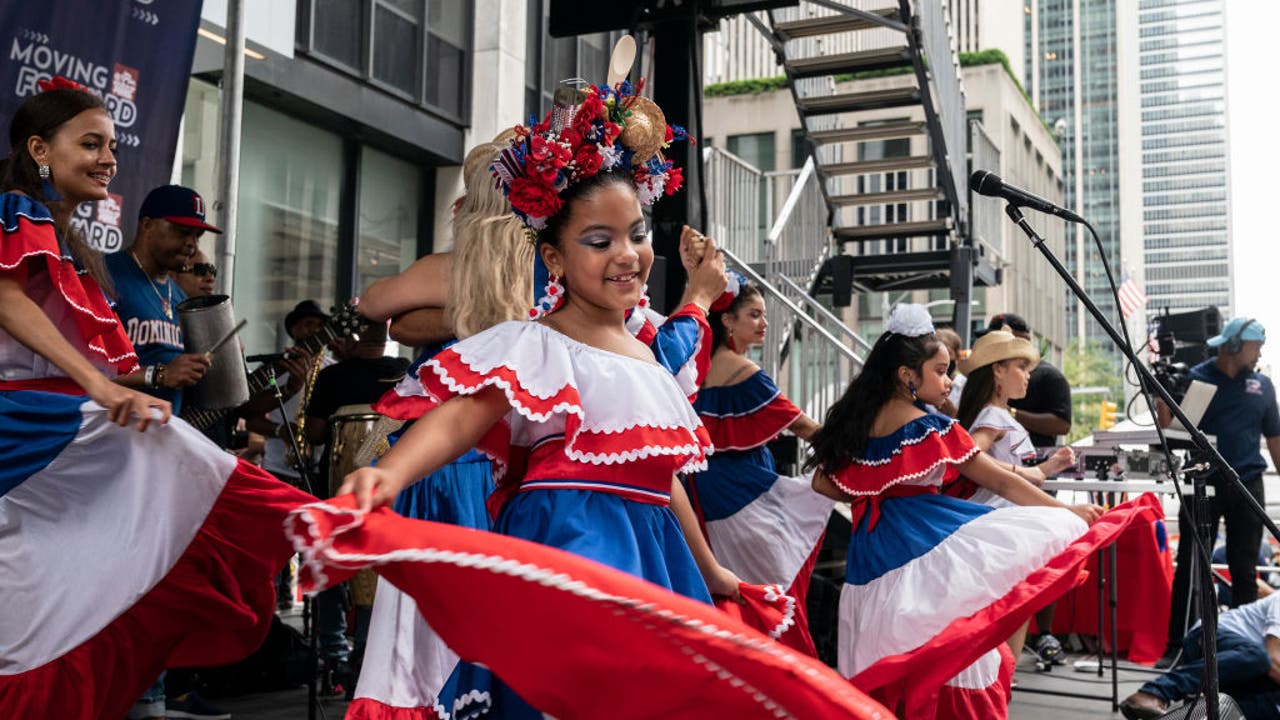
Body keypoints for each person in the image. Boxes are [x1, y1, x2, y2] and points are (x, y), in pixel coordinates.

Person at [332, 80, 749, 716]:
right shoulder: (534, 345)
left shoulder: (649, 357)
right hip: (568, 545)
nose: (627, 254)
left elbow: (657, 479)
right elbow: (459, 420)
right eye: (598, 240)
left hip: (653, 564)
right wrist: (386, 475)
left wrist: (711, 572)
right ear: (552, 258)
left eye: (636, 233)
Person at [0, 77, 312, 720]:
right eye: (90, 143)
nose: (108, 158)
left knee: (50, 608)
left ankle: (321, 525)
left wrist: (117, 389)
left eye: (111, 145)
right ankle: (325, 525)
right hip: (34, 433)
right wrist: (100, 386)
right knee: (177, 474)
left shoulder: (70, 245)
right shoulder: (15, 212)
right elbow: (5, 301)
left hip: (56, 437)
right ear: (38, 148)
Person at [803, 303, 1161, 718]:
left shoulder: (861, 424)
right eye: (940, 371)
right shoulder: (928, 428)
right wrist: (1067, 513)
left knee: (889, 662)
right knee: (954, 652)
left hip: (871, 555)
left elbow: (823, 482)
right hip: (923, 546)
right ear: (907, 376)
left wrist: (876, 492)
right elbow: (1001, 481)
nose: (949, 379)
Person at [685, 280, 831, 654]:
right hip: (743, 491)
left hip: (706, 492)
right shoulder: (743, 371)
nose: (764, 322)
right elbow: (802, 425)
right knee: (775, 585)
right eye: (754, 315)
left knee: (735, 590)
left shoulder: (696, 369)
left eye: (764, 314)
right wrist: (849, 448)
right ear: (728, 322)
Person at [1159, 316, 1280, 664]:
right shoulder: (1195, 378)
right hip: (1202, 482)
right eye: (1256, 347)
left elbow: (1274, 439)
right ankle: (1177, 647)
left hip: (1248, 485)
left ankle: (1242, 649)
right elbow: (1173, 434)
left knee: (1245, 569)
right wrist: (1161, 397)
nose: (1259, 355)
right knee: (1192, 567)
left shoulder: (1263, 385)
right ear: (1235, 346)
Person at [954, 330, 1078, 667]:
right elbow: (967, 457)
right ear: (997, 370)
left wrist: (1047, 467)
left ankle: (1002, 682)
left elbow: (1013, 471)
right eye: (1021, 366)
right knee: (1010, 609)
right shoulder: (993, 417)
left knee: (1014, 608)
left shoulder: (1000, 415)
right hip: (998, 528)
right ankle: (1001, 683)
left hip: (1006, 526)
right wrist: (1024, 473)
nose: (1028, 375)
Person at [106, 184, 223, 416]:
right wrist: (160, 374)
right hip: (110, 433)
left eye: (197, 235)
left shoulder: (179, 297)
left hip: (160, 436)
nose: (192, 243)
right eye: (182, 231)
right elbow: (82, 370)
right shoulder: (105, 275)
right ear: (147, 225)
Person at [1122, 592, 1280, 719]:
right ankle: (1155, 692)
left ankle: (1201, 716)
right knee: (1259, 657)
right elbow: (1273, 659)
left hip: (1244, 668)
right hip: (1208, 637)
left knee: (1272, 704)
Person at [990, 313, 1073, 448]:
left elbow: (1062, 424)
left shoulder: (1050, 376)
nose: (1026, 376)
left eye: (1024, 368)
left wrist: (1009, 412)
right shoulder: (984, 377)